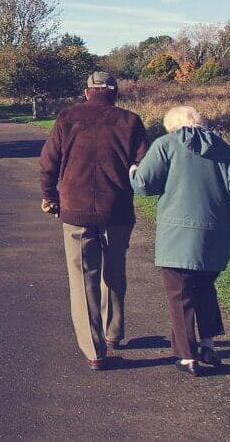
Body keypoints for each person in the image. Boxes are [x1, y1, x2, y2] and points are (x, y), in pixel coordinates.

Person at [131, 106, 230, 376]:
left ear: (172, 127)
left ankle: (187, 356)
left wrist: (133, 171)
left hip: (176, 237)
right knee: (204, 287)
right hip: (214, 236)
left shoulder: (165, 145)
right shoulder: (225, 149)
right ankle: (208, 343)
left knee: (180, 295)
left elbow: (144, 185)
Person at [39, 71, 150, 370]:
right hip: (117, 210)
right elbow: (144, 165)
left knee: (82, 280)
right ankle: (114, 332)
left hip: (75, 209)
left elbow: (48, 161)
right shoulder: (131, 121)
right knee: (114, 271)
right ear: (114, 92)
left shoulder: (67, 118)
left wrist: (49, 196)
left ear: (87, 92)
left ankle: (94, 350)